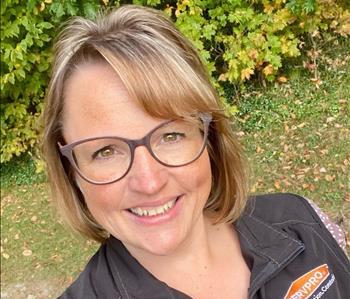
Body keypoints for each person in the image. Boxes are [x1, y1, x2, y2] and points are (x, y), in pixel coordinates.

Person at [42, 5, 349, 299]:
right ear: (71, 169)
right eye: (106, 151)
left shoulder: (303, 221)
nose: (149, 182)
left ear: (209, 137)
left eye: (171, 135)